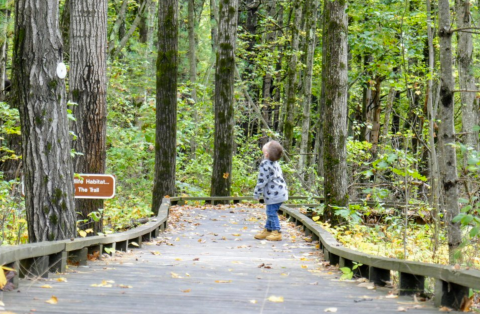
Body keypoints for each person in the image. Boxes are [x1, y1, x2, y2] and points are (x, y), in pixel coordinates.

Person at [253, 140, 288, 241]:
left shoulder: (265, 164)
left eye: (267, 145)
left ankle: (276, 231)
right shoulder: (275, 162)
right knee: (270, 211)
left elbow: (262, 180)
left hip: (274, 194)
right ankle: (268, 229)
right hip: (280, 192)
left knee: (271, 213)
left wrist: (257, 193)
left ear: (266, 154)